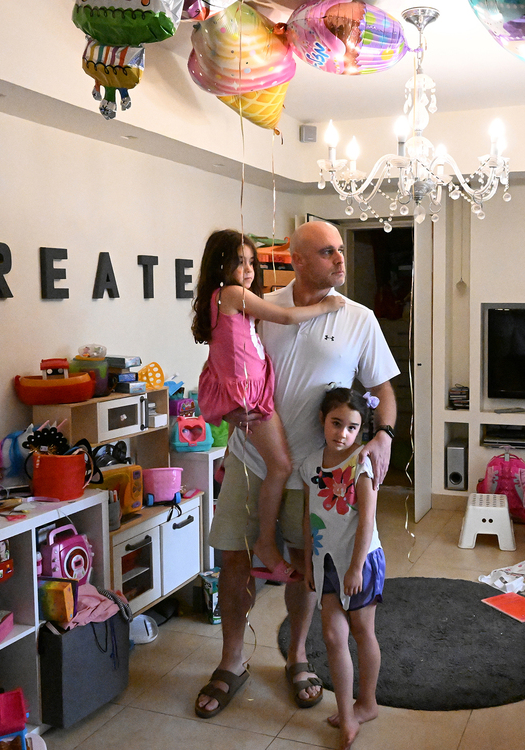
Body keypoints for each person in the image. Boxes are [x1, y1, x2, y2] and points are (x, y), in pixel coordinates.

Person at [195, 220, 399, 720]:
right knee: (234, 560)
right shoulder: (259, 301)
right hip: (250, 458)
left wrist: (384, 435)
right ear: (299, 258)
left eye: (341, 251)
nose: (340, 259)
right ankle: (232, 661)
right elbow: (229, 357)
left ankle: (297, 656)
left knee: (306, 566)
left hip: (316, 470)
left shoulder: (360, 318)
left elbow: (386, 389)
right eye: (328, 252)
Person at [191, 229, 344, 583]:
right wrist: (326, 306)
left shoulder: (224, 298)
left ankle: (228, 468)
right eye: (238, 262)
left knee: (268, 457)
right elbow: (287, 317)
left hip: (249, 389)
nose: (247, 270)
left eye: (250, 262)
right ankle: (264, 542)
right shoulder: (231, 294)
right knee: (280, 465)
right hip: (249, 394)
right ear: (221, 265)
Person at [301, 387, 384, 749]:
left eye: (352, 428)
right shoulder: (309, 465)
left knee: (362, 631)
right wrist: (307, 562)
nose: (342, 434)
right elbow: (310, 517)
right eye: (336, 424)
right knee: (334, 636)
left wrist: (356, 567)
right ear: (323, 420)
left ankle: (367, 702)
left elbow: (367, 519)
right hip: (325, 562)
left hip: (360, 560)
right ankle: (347, 716)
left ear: (360, 431)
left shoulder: (361, 464)